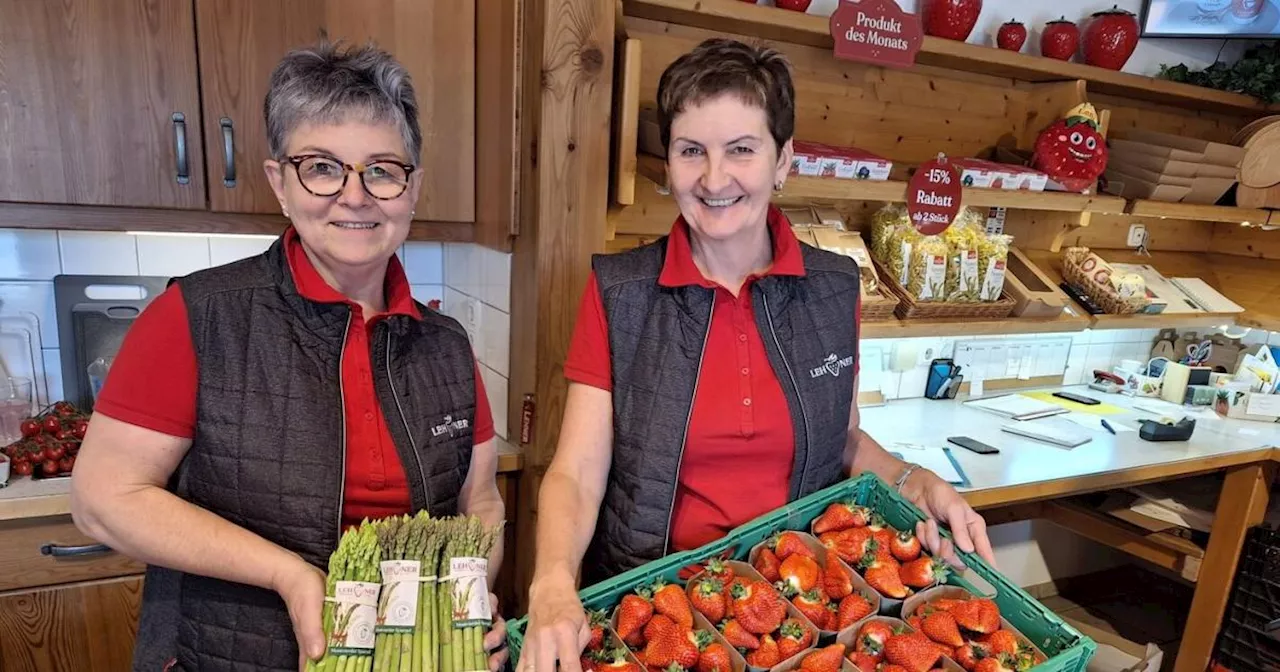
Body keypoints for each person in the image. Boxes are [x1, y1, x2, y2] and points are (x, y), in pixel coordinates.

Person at [520, 38, 996, 672]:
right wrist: (552, 582)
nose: (715, 179)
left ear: (782, 160)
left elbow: (844, 440)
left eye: (741, 149)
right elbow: (577, 472)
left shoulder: (833, 288)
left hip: (801, 612)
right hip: (663, 609)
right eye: (692, 151)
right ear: (670, 165)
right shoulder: (621, 293)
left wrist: (917, 481)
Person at [69, 42, 508, 672]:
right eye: (323, 167)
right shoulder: (195, 317)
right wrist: (289, 575)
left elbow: (482, 501)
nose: (356, 197)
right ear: (280, 182)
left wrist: (466, 604)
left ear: (412, 188)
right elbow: (103, 499)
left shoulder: (445, 343)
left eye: (382, 169)